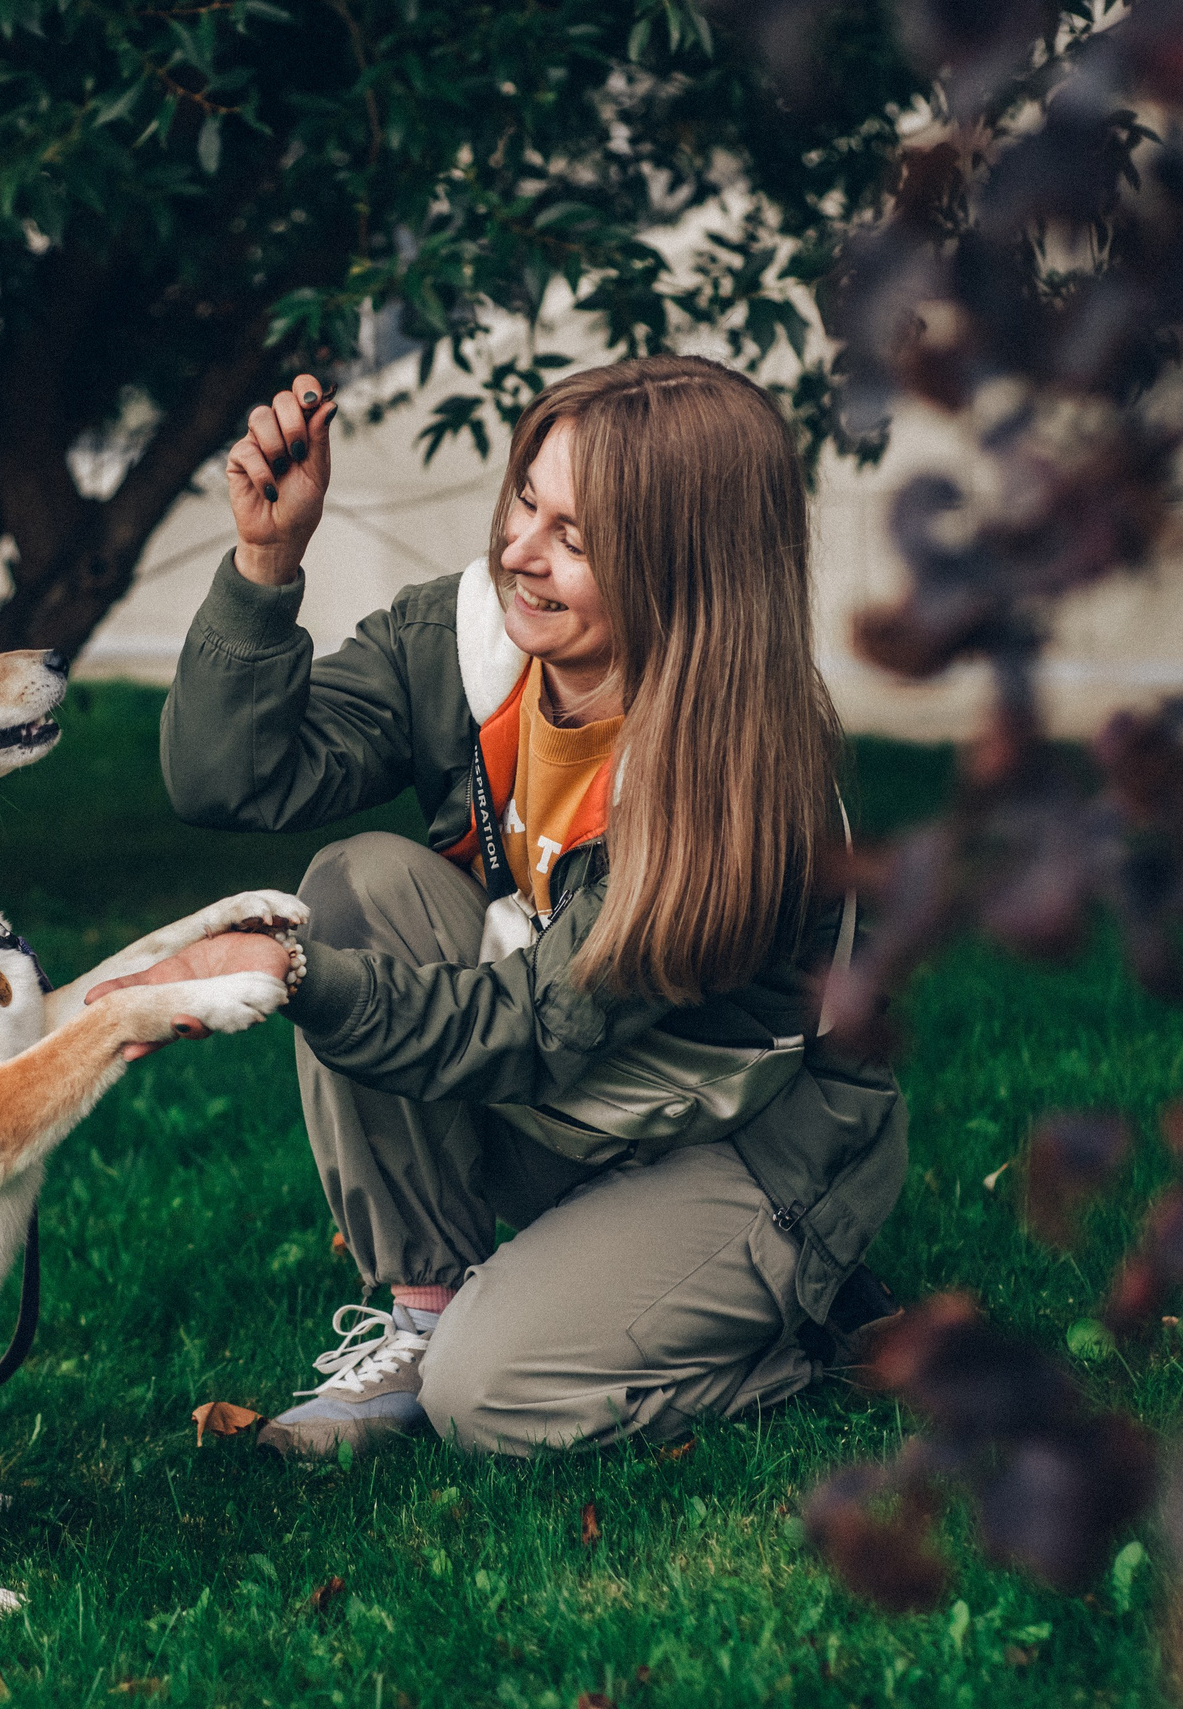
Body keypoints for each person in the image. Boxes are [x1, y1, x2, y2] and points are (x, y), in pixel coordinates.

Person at [89, 356, 907, 1459]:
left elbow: (529, 1028)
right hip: (589, 1102)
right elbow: (227, 777)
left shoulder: (735, 777)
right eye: (526, 498)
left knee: (488, 1399)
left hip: (744, 1149)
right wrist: (265, 563)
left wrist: (293, 977)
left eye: (578, 536)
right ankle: (424, 1316)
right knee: (354, 885)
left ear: (684, 567)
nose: (520, 550)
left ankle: (807, 1328)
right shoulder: (468, 642)